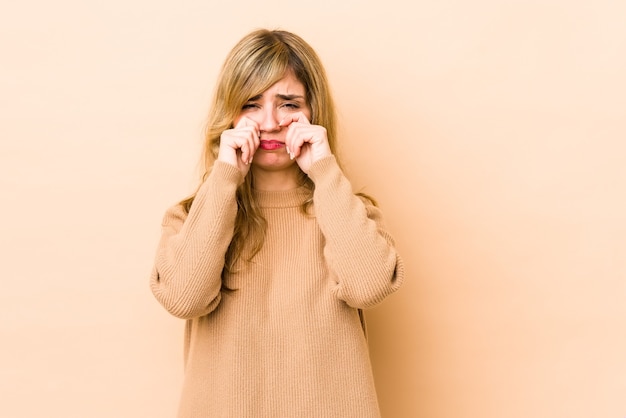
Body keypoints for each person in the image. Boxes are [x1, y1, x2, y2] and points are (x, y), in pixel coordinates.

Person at [150, 28, 404, 418]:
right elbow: (185, 298)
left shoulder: (348, 211)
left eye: (288, 103)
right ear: (230, 114)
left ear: (312, 112)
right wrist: (224, 178)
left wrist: (324, 170)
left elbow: (368, 288)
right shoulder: (190, 216)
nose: (269, 122)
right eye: (251, 104)